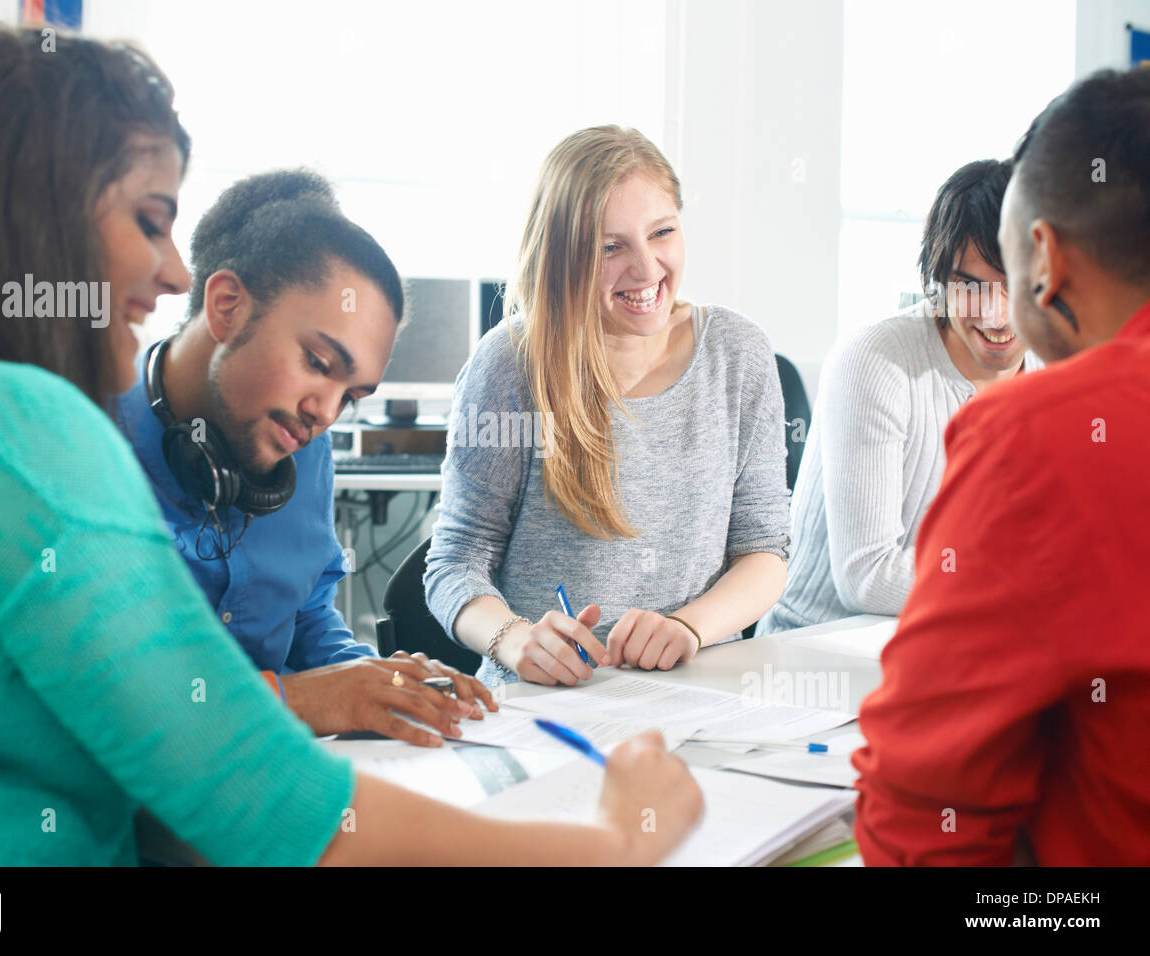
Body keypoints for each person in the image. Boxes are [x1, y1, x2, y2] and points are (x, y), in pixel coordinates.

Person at [0, 24, 701, 866]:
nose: (174, 272)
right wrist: (612, 844)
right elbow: (253, 796)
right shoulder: (10, 423)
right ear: (35, 219)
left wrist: (363, 684)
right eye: (150, 221)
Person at [852, 66, 1150, 865]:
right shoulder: (886, 358)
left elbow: (921, 818)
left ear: (1044, 260)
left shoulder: (1040, 433)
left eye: (1004, 276)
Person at [113, 169, 496, 749]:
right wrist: (309, 698)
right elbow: (112, 697)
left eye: (351, 395)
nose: (325, 413)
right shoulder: (83, 437)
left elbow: (307, 621)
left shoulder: (304, 451)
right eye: (318, 363)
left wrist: (378, 683)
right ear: (226, 306)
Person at [425, 126, 790, 687]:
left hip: (702, 695)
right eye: (609, 247)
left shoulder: (738, 353)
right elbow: (455, 561)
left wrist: (689, 628)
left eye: (662, 232)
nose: (647, 269)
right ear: (561, 257)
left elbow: (763, 551)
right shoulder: (510, 363)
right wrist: (514, 637)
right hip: (550, 703)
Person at [759, 159, 1042, 635]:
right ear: (937, 280)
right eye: (970, 287)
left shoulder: (1056, 369)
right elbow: (867, 578)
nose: (996, 317)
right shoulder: (876, 361)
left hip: (961, 640)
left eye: (1014, 286)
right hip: (822, 651)